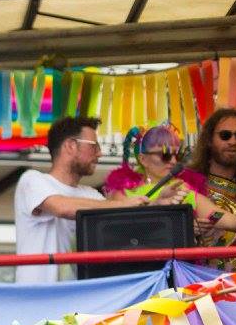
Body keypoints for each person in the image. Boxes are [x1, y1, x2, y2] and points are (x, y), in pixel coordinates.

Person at [12, 116, 148, 284]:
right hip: (38, 295)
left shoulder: (90, 195)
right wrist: (120, 204)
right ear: (71, 145)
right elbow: (62, 207)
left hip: (77, 294)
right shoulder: (32, 180)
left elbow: (121, 220)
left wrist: (158, 204)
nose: (100, 153)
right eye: (94, 146)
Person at [103, 124, 236, 235]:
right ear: (143, 159)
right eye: (166, 155)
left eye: (177, 155)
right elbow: (118, 230)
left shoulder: (182, 189)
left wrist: (191, 227)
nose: (174, 161)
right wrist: (182, 227)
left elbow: (230, 221)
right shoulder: (123, 193)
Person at [190, 107, 236, 270]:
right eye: (225, 135)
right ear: (209, 140)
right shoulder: (186, 185)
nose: (233, 141)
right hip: (195, 279)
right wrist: (186, 229)